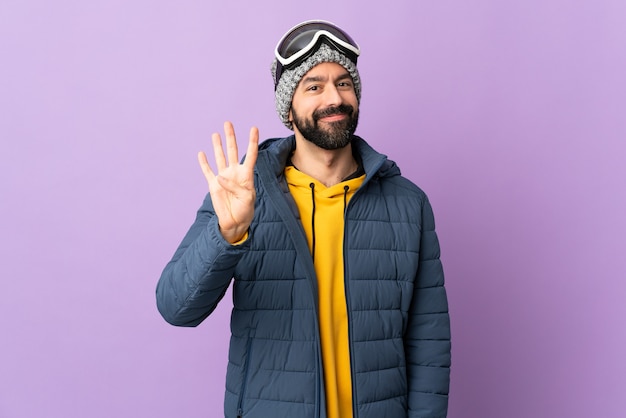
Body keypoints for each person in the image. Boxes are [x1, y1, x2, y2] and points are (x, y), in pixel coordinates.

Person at [156, 20, 451, 418]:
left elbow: (429, 340)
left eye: (344, 83)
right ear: (288, 109)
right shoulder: (243, 192)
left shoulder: (408, 204)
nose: (335, 97)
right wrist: (225, 235)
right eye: (314, 86)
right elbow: (177, 308)